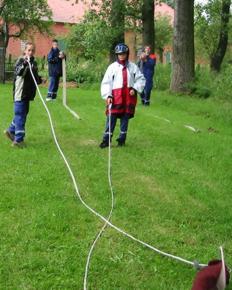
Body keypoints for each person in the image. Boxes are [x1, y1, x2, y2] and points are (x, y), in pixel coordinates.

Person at [99, 43, 146, 148]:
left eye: (123, 54)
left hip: (128, 98)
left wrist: (135, 88)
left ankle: (122, 139)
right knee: (111, 118)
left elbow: (141, 79)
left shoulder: (133, 67)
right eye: (119, 54)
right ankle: (106, 140)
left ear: (127, 54)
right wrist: (108, 95)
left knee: (125, 118)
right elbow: (106, 82)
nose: (121, 56)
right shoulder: (112, 67)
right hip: (116, 97)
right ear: (117, 55)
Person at [4, 42, 42, 148]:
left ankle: (11, 131)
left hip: (27, 95)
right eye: (28, 50)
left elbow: (34, 76)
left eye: (32, 50)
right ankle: (18, 140)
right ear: (25, 51)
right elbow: (19, 72)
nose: (30, 52)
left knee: (23, 114)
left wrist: (39, 79)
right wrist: (25, 63)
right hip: (20, 94)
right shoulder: (20, 61)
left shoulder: (34, 63)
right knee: (20, 115)